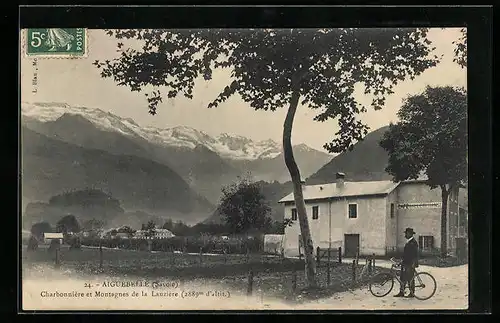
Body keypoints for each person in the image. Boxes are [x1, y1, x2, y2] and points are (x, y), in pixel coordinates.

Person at [394, 227, 419, 298]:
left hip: (410, 263)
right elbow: (406, 254)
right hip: (405, 263)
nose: (405, 234)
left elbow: (415, 254)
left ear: (410, 234)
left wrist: (414, 263)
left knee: (410, 278)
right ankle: (401, 292)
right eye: (405, 233)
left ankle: (412, 293)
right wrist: (402, 260)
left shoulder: (413, 243)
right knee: (403, 277)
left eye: (406, 233)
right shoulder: (408, 242)